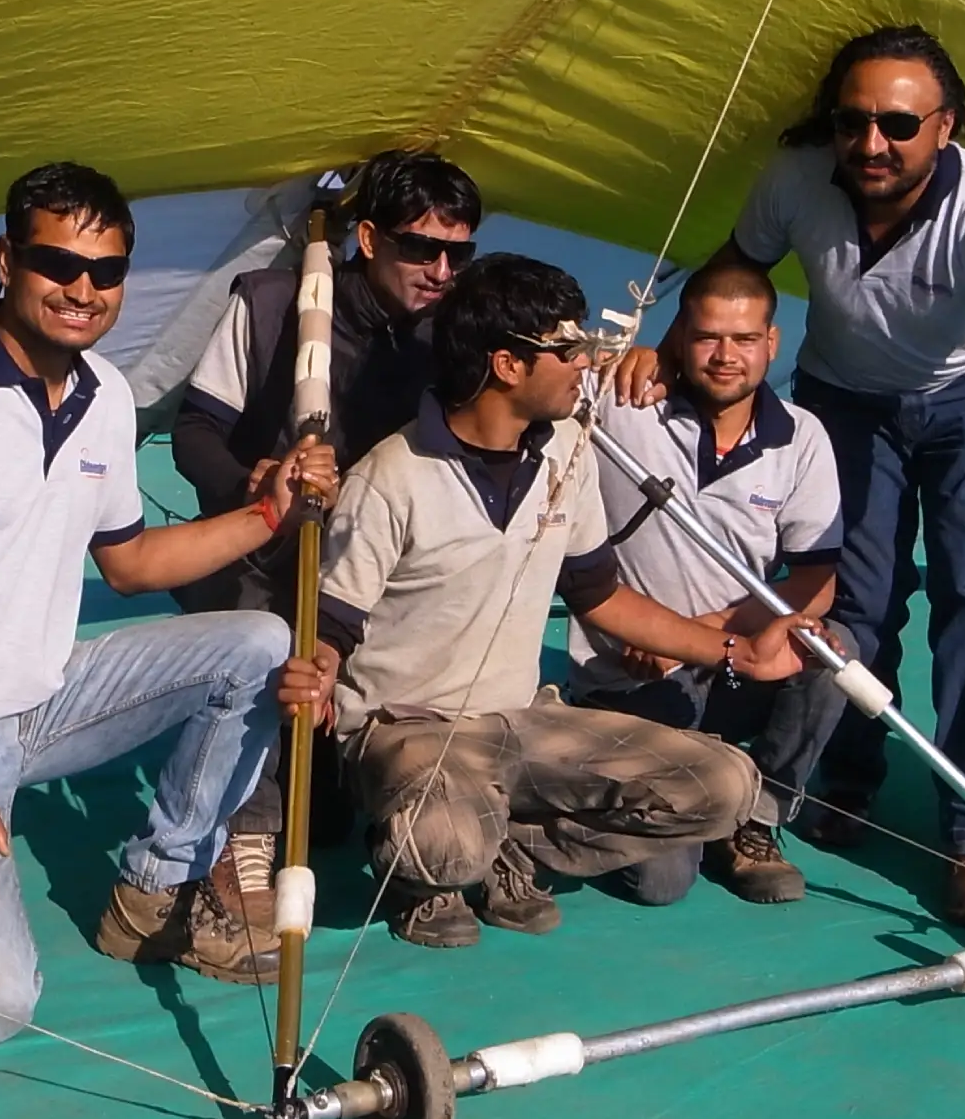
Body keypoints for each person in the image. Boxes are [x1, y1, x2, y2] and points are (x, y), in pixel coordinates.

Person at [0, 162, 334, 1044]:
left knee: (258, 641)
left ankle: (157, 885)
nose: (82, 289)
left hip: (47, 700)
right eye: (57, 263)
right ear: (7, 259)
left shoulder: (106, 400)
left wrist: (269, 512)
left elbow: (129, 563)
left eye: (106, 271)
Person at [620, 24, 965, 926]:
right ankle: (848, 776)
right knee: (857, 597)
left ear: (945, 127)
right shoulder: (797, 179)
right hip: (847, 394)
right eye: (852, 122)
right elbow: (736, 269)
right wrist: (668, 341)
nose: (871, 143)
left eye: (897, 124)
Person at [280, 253, 809, 949]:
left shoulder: (567, 449)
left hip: (520, 720)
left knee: (722, 785)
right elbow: (333, 626)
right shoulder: (391, 477)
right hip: (407, 727)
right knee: (446, 846)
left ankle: (507, 844)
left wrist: (738, 652)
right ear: (506, 365)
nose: (586, 362)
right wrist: (312, 668)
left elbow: (599, 596)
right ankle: (433, 872)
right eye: (567, 350)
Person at [171, 149, 481, 912]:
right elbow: (195, 429)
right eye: (421, 248)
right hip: (261, 547)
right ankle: (241, 840)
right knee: (268, 646)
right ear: (368, 240)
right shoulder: (276, 302)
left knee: (329, 815)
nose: (440, 269)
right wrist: (250, 491)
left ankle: (374, 791)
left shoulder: (455, 331)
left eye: (457, 253)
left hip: (371, 556)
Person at [569, 261, 849, 905]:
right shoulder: (621, 400)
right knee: (659, 883)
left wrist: (691, 638)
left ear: (772, 345)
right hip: (631, 674)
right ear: (679, 337)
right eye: (707, 338)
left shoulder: (802, 437)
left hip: (724, 666)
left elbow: (815, 581)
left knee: (833, 653)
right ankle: (619, 794)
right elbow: (539, 364)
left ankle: (756, 820)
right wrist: (619, 354)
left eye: (745, 340)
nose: (727, 357)